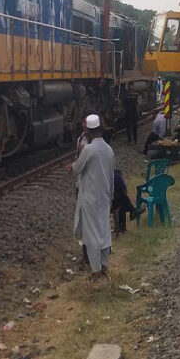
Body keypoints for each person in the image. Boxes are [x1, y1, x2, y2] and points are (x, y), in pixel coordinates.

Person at [72, 114, 114, 280]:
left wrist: (74, 162)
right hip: (104, 196)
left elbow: (77, 169)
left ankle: (96, 271)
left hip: (90, 198)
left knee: (91, 235)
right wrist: (111, 197)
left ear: (88, 132)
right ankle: (105, 267)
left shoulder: (89, 149)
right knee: (104, 231)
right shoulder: (109, 150)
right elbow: (111, 177)